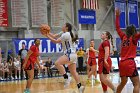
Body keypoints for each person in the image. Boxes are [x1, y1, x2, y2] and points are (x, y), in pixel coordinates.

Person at [42, 23, 85, 93]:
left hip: (69, 53)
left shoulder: (65, 35)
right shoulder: (66, 33)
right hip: (74, 55)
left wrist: (46, 35)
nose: (62, 26)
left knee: (57, 63)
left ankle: (66, 77)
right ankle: (80, 87)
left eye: (63, 25)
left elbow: (55, 41)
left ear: (67, 27)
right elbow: (54, 36)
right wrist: (48, 32)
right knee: (74, 72)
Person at [115, 9, 140, 93]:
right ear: (134, 31)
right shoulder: (134, 38)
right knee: (136, 84)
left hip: (122, 63)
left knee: (123, 83)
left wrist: (117, 16)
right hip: (129, 63)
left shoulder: (123, 37)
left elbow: (118, 28)